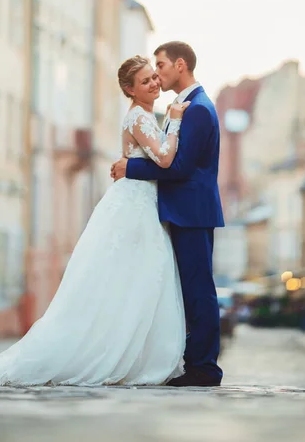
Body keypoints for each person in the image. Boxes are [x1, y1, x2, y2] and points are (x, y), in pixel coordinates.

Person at [0, 56, 189, 388]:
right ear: (129, 89)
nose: (154, 84)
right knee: (134, 277)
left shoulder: (145, 115)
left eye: (155, 77)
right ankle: (111, 354)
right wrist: (177, 121)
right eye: (145, 81)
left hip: (141, 202)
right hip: (135, 206)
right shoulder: (138, 117)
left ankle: (134, 354)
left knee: (138, 279)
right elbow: (165, 158)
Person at [112, 41, 224, 387]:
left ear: (180, 65)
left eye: (159, 66)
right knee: (187, 289)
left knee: (198, 289)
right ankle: (192, 362)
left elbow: (179, 167)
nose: (157, 75)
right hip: (183, 211)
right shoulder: (182, 106)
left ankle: (203, 368)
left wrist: (130, 168)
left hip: (191, 211)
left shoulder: (198, 108)